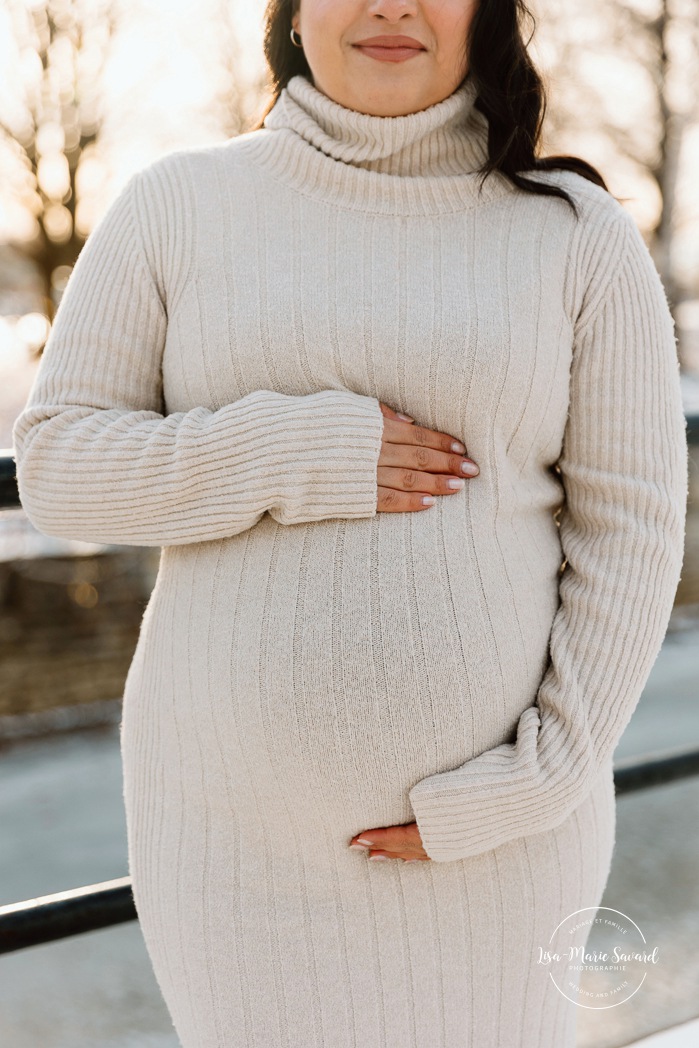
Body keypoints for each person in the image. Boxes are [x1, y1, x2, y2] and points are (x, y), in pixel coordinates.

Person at [13, 0, 688, 1045]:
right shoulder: (177, 207)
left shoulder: (575, 235)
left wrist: (537, 778)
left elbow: (632, 526)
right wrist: (295, 451)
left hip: (501, 853)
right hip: (233, 855)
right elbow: (59, 468)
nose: (388, 4)